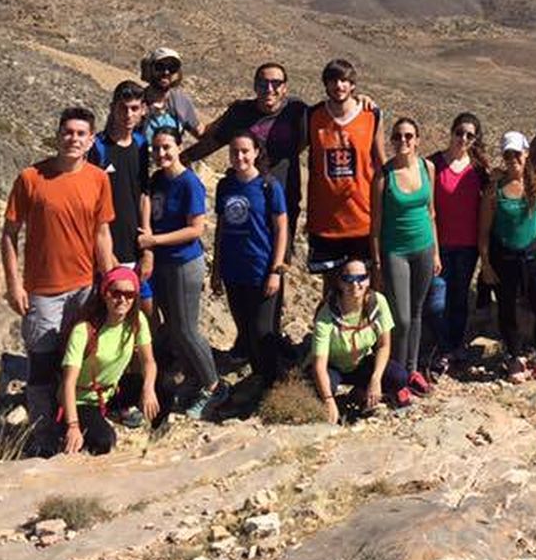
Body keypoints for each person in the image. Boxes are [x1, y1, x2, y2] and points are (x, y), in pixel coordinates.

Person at [1, 106, 116, 446]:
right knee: (42, 361)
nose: (73, 139)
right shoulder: (31, 178)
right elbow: (9, 233)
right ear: (57, 135)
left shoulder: (98, 179)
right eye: (68, 132)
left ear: (91, 139)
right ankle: (44, 434)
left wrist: (107, 280)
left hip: (84, 287)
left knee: (78, 360)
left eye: (81, 134)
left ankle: (76, 425)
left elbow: (102, 233)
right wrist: (14, 285)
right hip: (43, 290)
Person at [138, 126, 226, 418]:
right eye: (157, 148)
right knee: (173, 329)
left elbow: (195, 229)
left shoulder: (189, 183)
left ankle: (215, 386)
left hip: (184, 262)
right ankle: (194, 378)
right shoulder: (157, 180)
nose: (161, 153)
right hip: (162, 262)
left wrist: (154, 241)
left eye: (167, 147)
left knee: (186, 328)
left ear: (178, 147)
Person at [183, 61, 310, 247]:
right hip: (244, 198)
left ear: (285, 88)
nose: (269, 88)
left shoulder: (297, 111)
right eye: (262, 83)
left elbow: (324, 126)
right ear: (254, 86)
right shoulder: (240, 112)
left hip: (283, 197)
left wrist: (360, 101)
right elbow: (213, 142)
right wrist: (181, 159)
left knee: (279, 257)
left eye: (276, 83)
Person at [478, 131, 536, 383]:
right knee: (507, 309)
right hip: (505, 257)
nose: (513, 159)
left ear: (526, 154)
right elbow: (483, 231)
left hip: (534, 255)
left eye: (517, 153)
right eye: (508, 154)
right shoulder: (495, 189)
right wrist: (486, 264)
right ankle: (514, 356)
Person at [212, 133, 289, 391]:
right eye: (234, 151)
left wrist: (276, 270)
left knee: (262, 331)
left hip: (262, 269)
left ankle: (274, 384)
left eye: (245, 151)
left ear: (257, 152)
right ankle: (259, 379)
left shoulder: (269, 185)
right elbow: (220, 228)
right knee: (245, 330)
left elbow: (281, 230)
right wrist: (216, 270)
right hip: (234, 270)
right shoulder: (225, 186)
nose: (240, 157)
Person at [58, 266, 160, 455]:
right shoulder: (84, 330)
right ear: (105, 294)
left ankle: (145, 432)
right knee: (104, 441)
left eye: (129, 294)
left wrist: (148, 389)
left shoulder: (136, 321)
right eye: (116, 293)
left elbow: (149, 362)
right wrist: (73, 425)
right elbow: (68, 382)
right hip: (83, 399)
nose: (122, 299)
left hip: (111, 391)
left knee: (163, 390)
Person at [372, 117, 440, 397]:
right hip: (395, 251)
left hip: (423, 247)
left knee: (416, 312)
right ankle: (395, 377)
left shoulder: (428, 168)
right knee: (400, 318)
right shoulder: (383, 176)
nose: (403, 142)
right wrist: (376, 263)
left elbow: (431, 212)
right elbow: (375, 224)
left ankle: (412, 371)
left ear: (418, 140)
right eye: (398, 136)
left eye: (409, 136)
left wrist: (436, 251)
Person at [305, 59, 385, 274]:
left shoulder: (371, 115)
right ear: (325, 84)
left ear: (353, 85)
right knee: (331, 290)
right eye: (333, 81)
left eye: (344, 80)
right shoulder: (313, 116)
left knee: (364, 286)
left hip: (362, 219)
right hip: (326, 221)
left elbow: (380, 164)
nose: (338, 86)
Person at [309, 258, 411, 421]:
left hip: (361, 362)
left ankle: (361, 392)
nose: (355, 285)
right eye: (348, 279)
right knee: (318, 390)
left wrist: (375, 379)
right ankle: (337, 401)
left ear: (368, 279)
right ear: (340, 282)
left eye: (361, 278)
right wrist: (328, 400)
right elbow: (319, 364)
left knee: (398, 377)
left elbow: (384, 345)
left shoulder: (378, 302)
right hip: (333, 365)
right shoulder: (326, 314)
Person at [425, 112, 488, 375]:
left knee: (459, 298)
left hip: (468, 246)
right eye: (460, 132)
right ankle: (443, 346)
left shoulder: (478, 170)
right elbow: (426, 208)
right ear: (451, 131)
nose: (463, 138)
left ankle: (454, 348)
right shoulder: (433, 165)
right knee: (436, 301)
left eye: (470, 135)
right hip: (438, 245)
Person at [88, 81, 153, 316]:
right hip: (109, 246)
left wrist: (148, 245)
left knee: (146, 314)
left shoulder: (141, 144)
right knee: (109, 314)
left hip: (135, 246)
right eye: (123, 108)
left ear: (143, 110)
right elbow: (91, 205)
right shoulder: (97, 147)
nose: (128, 114)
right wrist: (105, 253)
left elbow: (144, 193)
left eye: (134, 108)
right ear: (113, 108)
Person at [141, 47, 202, 144]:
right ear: (150, 69)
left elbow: (201, 133)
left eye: (172, 68)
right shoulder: (136, 100)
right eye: (160, 66)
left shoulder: (181, 101)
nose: (166, 72)